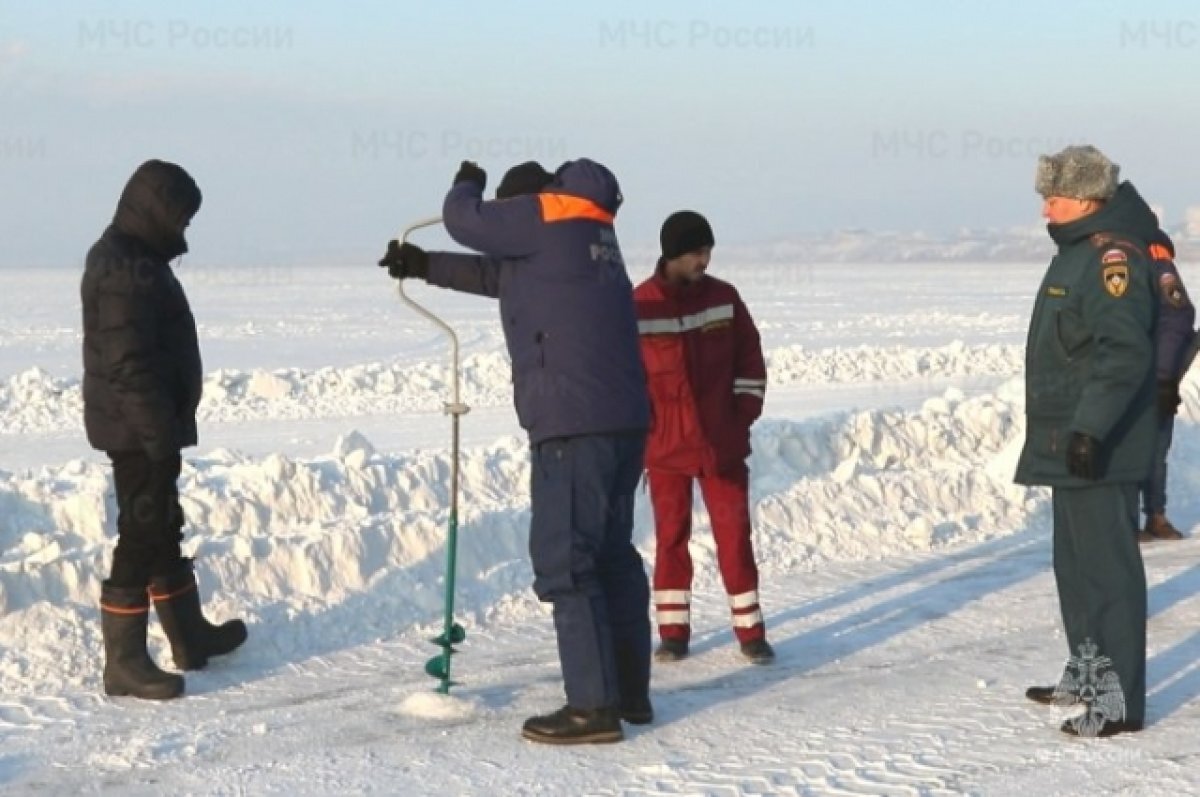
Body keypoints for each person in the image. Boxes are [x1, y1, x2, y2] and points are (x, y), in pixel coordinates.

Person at [378, 158, 652, 745]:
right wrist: (423, 268)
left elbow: (461, 219)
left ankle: (592, 709)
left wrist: (467, 181)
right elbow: (495, 277)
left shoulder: (542, 217)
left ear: (524, 208)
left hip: (573, 426)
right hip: (623, 423)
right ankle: (630, 695)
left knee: (566, 563)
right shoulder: (589, 240)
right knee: (611, 557)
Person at [82, 159, 247, 700]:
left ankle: (189, 635)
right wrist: (157, 435)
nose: (185, 231)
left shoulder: (137, 258)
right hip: (136, 430)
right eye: (182, 218)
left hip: (150, 425)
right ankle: (123, 664)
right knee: (140, 533)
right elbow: (126, 362)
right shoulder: (121, 266)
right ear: (156, 210)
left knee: (162, 523)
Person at [1015, 145, 1157, 737]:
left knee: (1107, 575)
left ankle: (1117, 702)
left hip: (1097, 442)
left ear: (1090, 198)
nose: (1046, 205)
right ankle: (1090, 674)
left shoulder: (1110, 256)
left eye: (1056, 195)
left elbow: (1123, 354)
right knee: (1074, 570)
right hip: (1067, 439)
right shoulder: (1075, 249)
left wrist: (1090, 428)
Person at [631, 211, 773, 665]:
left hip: (721, 447)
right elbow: (627, 381)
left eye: (708, 250)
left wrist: (741, 416)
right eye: (697, 252)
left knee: (734, 537)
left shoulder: (725, 299)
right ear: (673, 254)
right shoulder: (638, 305)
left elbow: (750, 360)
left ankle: (751, 633)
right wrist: (644, 432)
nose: (705, 259)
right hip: (667, 451)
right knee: (670, 540)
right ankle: (673, 633)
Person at [1138, 225, 1194, 542]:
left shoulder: (1157, 263)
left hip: (1154, 377)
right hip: (1136, 374)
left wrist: (1162, 377)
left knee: (1153, 448)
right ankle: (1139, 517)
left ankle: (1154, 515)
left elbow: (1177, 319)